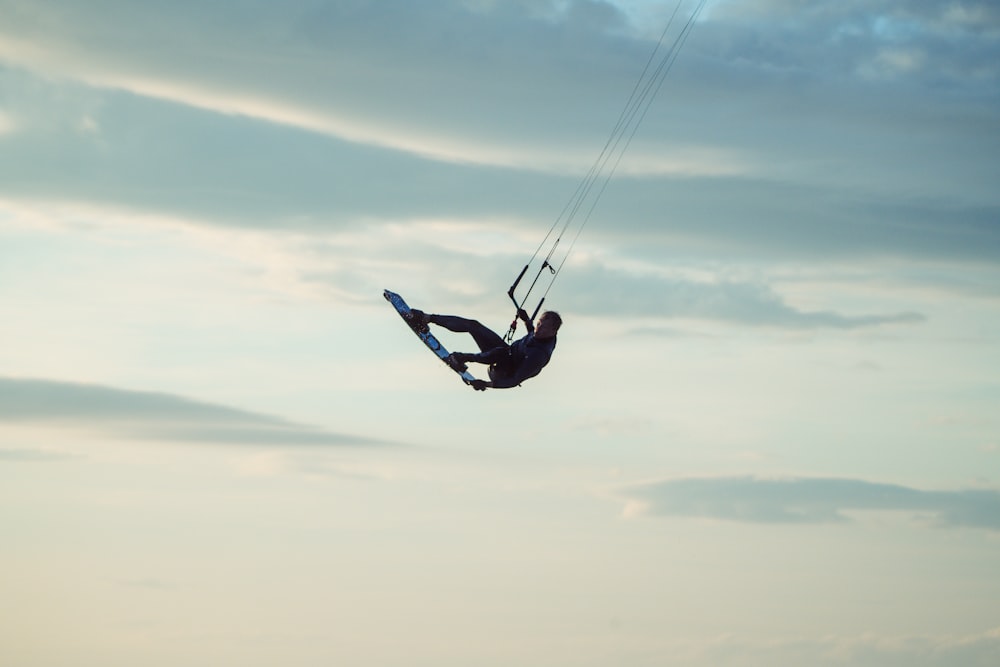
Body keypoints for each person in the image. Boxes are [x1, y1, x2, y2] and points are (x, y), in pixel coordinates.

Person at [408, 307, 562, 391]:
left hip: (502, 374)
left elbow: (514, 381)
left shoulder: (539, 355)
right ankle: (427, 318)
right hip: (504, 354)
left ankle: (461, 357)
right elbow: (531, 333)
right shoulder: (539, 333)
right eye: (539, 323)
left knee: (501, 352)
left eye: (544, 328)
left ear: (553, 331)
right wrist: (527, 320)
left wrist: (486, 384)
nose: (538, 329)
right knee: (474, 325)